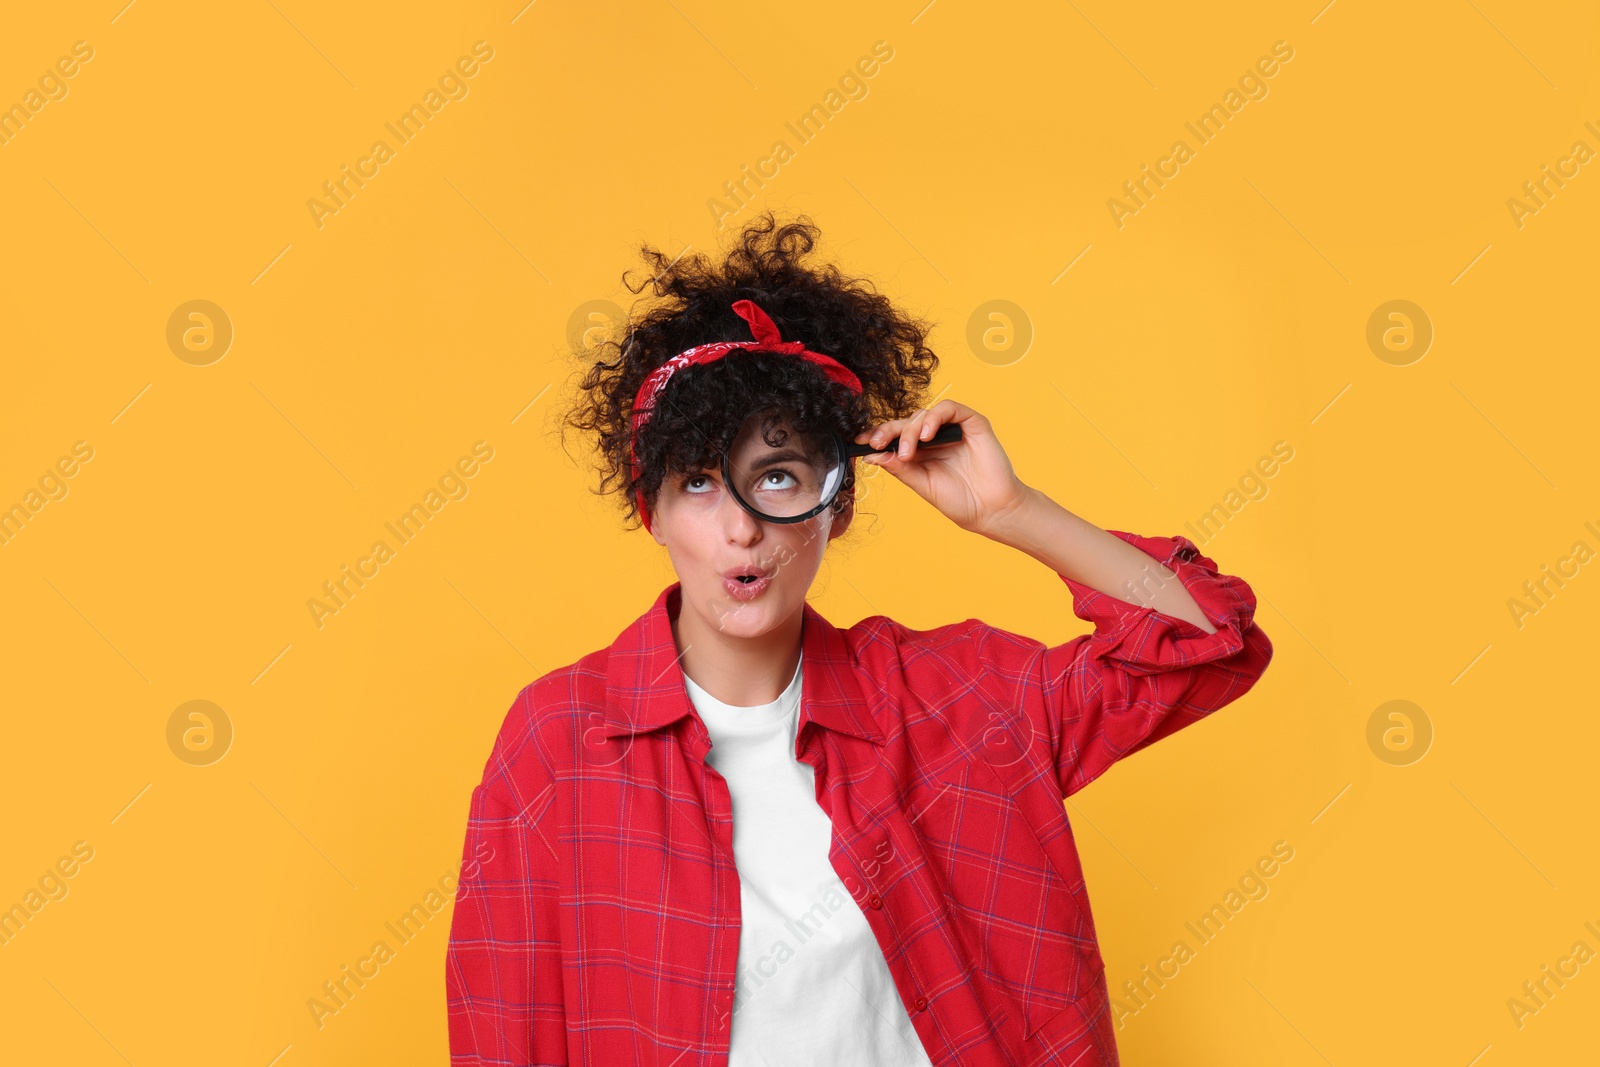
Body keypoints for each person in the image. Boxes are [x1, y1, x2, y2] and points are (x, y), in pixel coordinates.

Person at [445, 214, 1273, 1066]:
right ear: (648, 508)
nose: (741, 528)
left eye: (776, 476)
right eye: (698, 482)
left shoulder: (956, 699)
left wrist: (1012, 512)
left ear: (832, 505)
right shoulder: (559, 741)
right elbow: (502, 1030)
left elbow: (1205, 645)